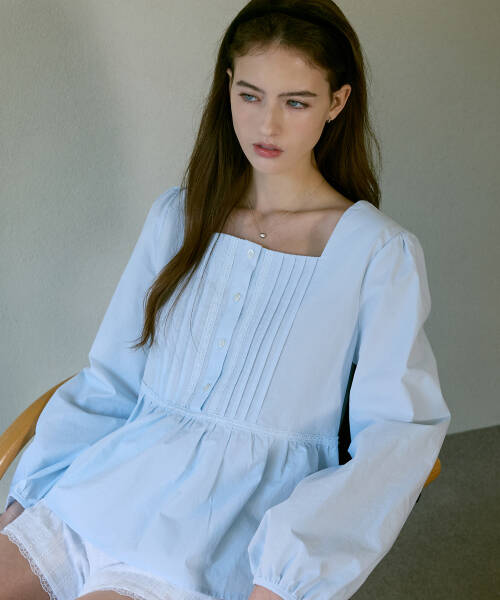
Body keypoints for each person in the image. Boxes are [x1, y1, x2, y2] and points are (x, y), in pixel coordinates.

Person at [0, 1, 452, 599]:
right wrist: (26, 496)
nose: (268, 126)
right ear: (228, 87)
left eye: (296, 102)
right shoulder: (178, 216)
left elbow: (396, 438)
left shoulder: (377, 253)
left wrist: (288, 576)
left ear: (337, 103)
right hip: (102, 486)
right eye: (250, 96)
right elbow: (113, 380)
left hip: (218, 538)